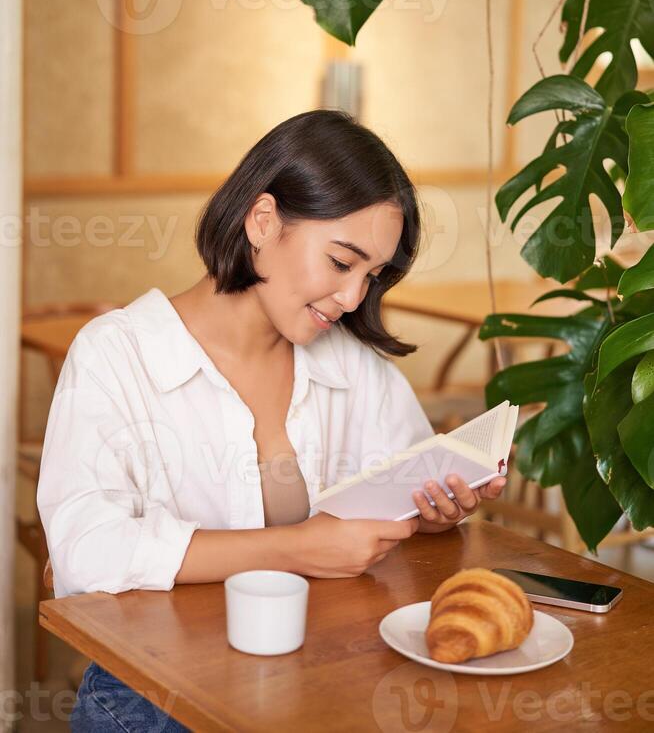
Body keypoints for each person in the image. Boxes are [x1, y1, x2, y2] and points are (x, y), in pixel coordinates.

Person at [36, 109, 507, 731]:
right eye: (342, 262)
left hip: (322, 678)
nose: (352, 298)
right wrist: (299, 548)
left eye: (372, 276)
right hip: (153, 698)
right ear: (263, 221)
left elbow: (394, 493)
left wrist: (431, 512)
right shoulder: (117, 355)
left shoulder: (354, 368)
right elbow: (84, 553)